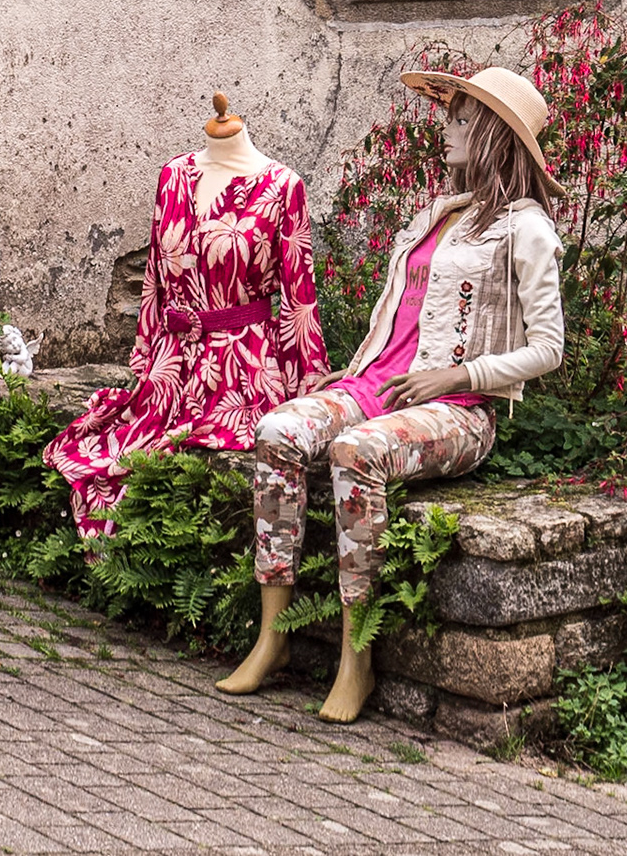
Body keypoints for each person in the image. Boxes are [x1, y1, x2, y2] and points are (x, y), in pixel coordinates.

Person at [216, 67, 565, 723]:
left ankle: (357, 656)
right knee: (279, 430)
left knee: (355, 450)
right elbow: (398, 319)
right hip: (379, 386)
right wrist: (352, 372)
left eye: (463, 119)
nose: (448, 128)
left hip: (456, 412)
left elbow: (550, 348)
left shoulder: (528, 229)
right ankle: (273, 632)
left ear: (495, 134)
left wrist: (460, 377)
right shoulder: (439, 214)